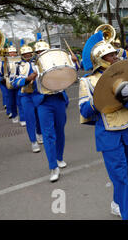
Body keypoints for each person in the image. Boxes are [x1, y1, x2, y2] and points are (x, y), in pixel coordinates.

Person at [79, 31, 128, 220]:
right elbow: (84, 110)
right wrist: (101, 100)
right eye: (111, 55)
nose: (116, 57)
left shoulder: (125, 75)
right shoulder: (87, 81)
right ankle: (125, 213)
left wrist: (127, 99)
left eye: (115, 54)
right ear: (100, 59)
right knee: (120, 175)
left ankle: (117, 203)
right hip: (108, 134)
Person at [32, 33, 78, 182]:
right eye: (39, 53)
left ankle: (59, 157)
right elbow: (19, 83)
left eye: (44, 52)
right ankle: (53, 167)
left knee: (60, 132)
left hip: (58, 100)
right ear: (36, 55)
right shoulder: (30, 67)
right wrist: (31, 76)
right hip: (43, 102)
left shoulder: (56, 62)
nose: (42, 54)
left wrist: (75, 62)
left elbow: (71, 72)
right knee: (48, 135)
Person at [12, 40, 43, 153]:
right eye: (25, 54)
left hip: (39, 93)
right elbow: (13, 82)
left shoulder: (39, 63)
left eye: (29, 53)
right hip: (26, 96)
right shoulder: (18, 66)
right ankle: (33, 141)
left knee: (40, 117)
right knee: (30, 119)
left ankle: (39, 134)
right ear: (22, 55)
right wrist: (27, 79)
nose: (27, 56)